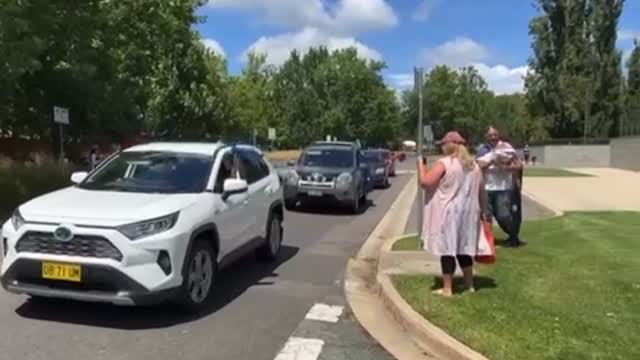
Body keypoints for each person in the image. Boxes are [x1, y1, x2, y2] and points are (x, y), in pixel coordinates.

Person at [417, 131, 485, 297]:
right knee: (464, 248)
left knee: (447, 250)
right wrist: (483, 212)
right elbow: (481, 191)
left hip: (448, 212)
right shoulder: (474, 166)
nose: (442, 146)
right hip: (468, 213)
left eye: (443, 144)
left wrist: (420, 164)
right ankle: (469, 285)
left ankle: (447, 288)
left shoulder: (445, 163)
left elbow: (425, 182)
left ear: (449, 145)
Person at [476, 127, 523, 247]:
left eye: (495, 134)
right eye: (490, 135)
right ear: (486, 137)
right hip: (486, 188)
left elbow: (518, 165)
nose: (493, 137)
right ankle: (488, 241)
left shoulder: (507, 148)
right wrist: (492, 159)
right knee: (486, 216)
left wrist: (504, 167)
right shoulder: (482, 150)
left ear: (498, 135)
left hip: (503, 188)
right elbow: (479, 166)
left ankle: (513, 235)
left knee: (503, 215)